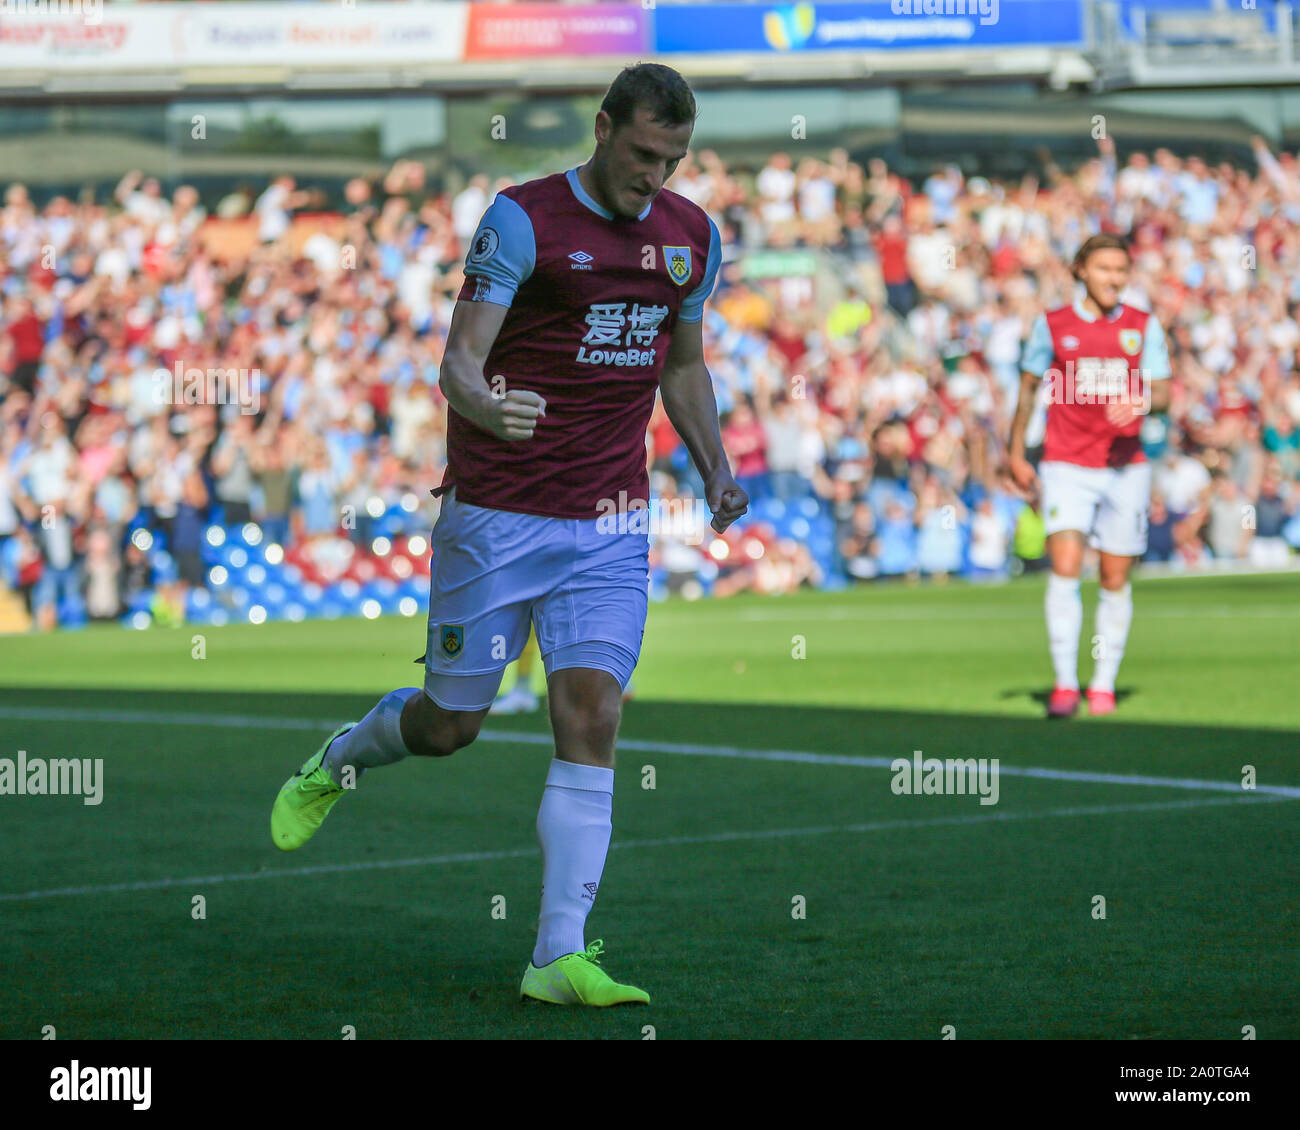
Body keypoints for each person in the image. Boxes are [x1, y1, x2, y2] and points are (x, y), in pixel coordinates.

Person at [270, 64, 747, 1007]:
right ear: (604, 127)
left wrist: (714, 464)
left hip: (611, 517)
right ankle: (339, 759)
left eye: (675, 159)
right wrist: (491, 408)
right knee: (451, 727)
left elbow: (681, 366)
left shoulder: (692, 237)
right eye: (645, 153)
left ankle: (556, 955)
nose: (656, 175)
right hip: (497, 515)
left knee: (593, 712)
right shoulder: (523, 219)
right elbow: (457, 366)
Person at [1008, 233, 1171, 718]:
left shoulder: (1142, 326)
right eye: (1104, 269)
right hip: (1065, 462)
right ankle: (1064, 685)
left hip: (1125, 468)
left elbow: (1163, 392)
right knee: (1064, 565)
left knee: (1113, 576)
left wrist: (1140, 400)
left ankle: (1102, 683)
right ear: (1080, 270)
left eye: (1121, 270)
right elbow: (1027, 390)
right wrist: (1016, 452)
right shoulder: (1053, 325)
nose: (1114, 279)